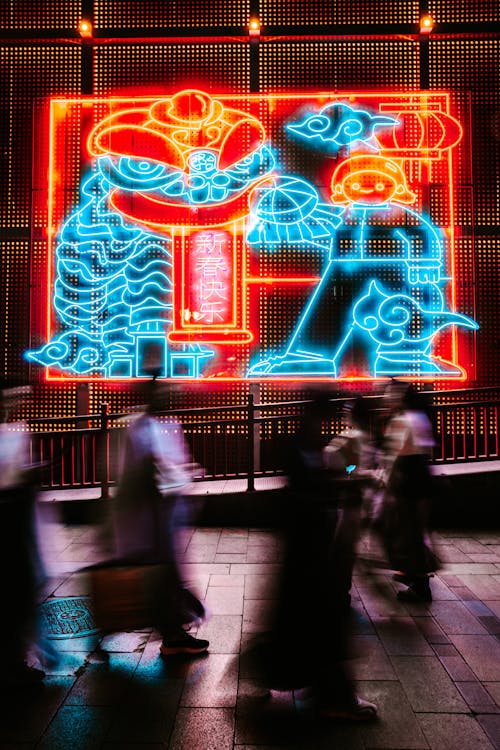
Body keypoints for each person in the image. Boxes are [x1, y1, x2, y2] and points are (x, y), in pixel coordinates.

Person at [257, 393, 377, 721]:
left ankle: (301, 679)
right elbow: (306, 491)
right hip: (309, 550)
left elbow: (306, 489)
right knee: (322, 622)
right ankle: (333, 695)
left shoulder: (306, 442)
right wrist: (342, 484)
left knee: (306, 619)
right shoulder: (306, 445)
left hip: (308, 550)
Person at [111, 377, 209, 656]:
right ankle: (173, 634)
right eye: (164, 391)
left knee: (165, 574)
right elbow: (148, 471)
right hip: (155, 516)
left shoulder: (156, 425)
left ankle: (173, 630)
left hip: (161, 515)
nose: (170, 396)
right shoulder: (141, 428)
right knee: (163, 574)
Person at [0, 385, 46, 687]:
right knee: (16, 589)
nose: (19, 401)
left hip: (14, 519)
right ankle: (15, 663)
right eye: (14, 395)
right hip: (9, 521)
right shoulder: (10, 434)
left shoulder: (13, 430)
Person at [378, 381, 438, 602]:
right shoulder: (419, 417)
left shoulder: (401, 420)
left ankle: (416, 581)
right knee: (415, 533)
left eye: (390, 395)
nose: (387, 399)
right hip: (422, 482)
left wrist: (384, 479)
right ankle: (419, 581)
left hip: (407, 485)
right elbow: (426, 450)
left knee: (404, 532)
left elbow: (394, 456)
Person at [323, 396, 378, 611]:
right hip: (362, 501)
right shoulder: (368, 438)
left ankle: (337, 592)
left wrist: (347, 471)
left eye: (347, 411)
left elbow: (331, 457)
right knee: (347, 550)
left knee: (340, 550)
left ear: (352, 414)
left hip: (347, 501)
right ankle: (341, 592)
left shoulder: (349, 437)